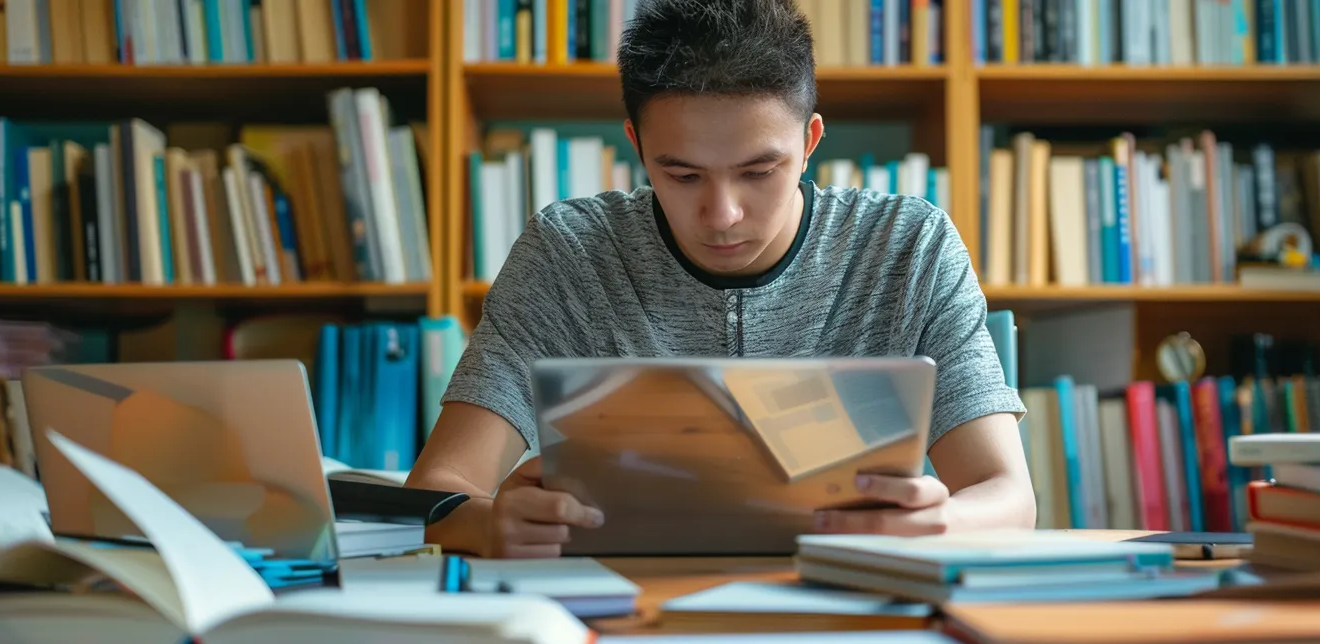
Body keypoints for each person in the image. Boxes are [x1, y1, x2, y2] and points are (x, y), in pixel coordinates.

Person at [405, 0, 1034, 559]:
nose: (723, 215)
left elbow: (1008, 497)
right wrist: (489, 526)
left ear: (810, 140)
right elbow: (439, 490)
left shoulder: (908, 247)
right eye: (681, 176)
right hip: (625, 606)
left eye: (759, 171)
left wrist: (940, 518)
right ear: (637, 144)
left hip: (845, 603)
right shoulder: (568, 254)